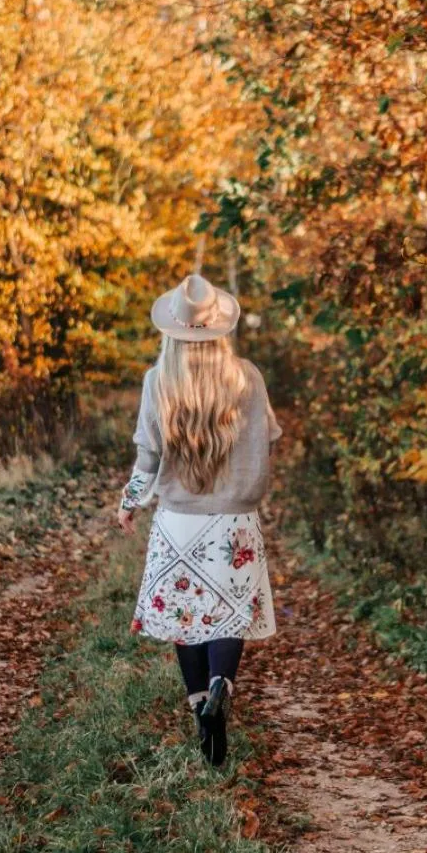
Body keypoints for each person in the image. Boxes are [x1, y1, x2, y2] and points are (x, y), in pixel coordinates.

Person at [117, 273, 281, 767]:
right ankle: (220, 685)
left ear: (172, 330)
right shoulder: (247, 377)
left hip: (179, 523)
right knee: (228, 612)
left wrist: (129, 501)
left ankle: (200, 715)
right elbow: (268, 439)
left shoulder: (158, 380)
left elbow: (147, 457)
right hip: (234, 523)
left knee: (186, 617)